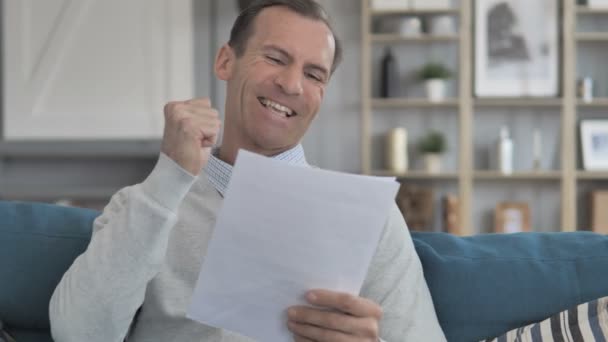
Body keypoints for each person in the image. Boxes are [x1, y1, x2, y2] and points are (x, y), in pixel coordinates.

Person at [49, 0, 446, 341]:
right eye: (275, 58)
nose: (291, 84)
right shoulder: (145, 205)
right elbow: (78, 333)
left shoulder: (371, 220)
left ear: (321, 94)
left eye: (313, 74)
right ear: (226, 61)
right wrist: (171, 176)